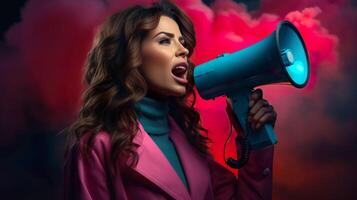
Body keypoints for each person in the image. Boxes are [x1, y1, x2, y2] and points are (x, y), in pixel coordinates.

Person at [64, 0, 277, 199]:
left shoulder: (188, 143)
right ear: (130, 56)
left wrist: (255, 139)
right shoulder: (97, 146)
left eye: (183, 43)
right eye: (165, 40)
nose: (183, 50)